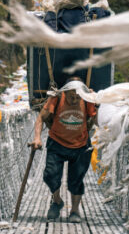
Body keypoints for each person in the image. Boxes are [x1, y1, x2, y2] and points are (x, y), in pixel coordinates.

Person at [31, 78, 97, 223]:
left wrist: (98, 102)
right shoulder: (56, 98)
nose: (74, 99)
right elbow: (41, 118)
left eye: (77, 96)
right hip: (57, 142)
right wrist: (37, 138)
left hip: (80, 144)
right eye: (71, 96)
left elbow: (96, 119)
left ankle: (74, 211)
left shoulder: (87, 100)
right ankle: (57, 201)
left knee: (77, 179)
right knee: (50, 175)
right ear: (65, 92)